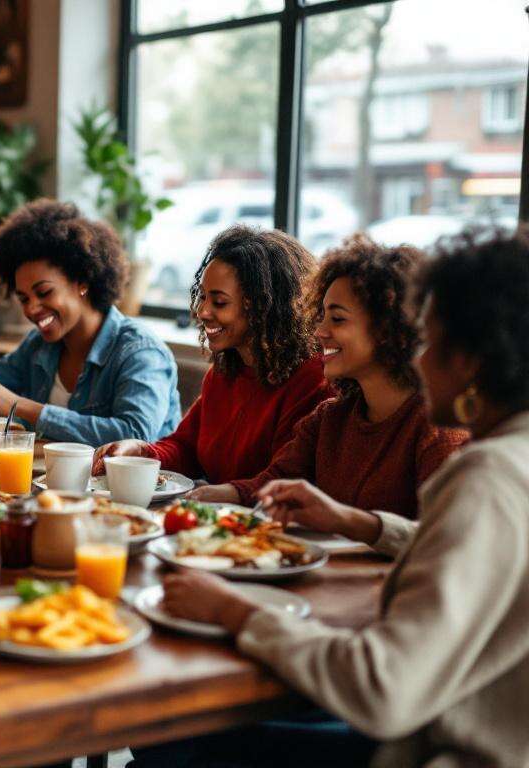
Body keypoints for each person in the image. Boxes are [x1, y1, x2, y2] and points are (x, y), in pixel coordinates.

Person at [151, 226, 529, 768]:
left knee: (177, 736)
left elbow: (382, 690)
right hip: (424, 715)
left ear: (471, 359)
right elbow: (465, 552)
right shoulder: (509, 460)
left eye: (430, 341)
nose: (419, 360)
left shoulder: (484, 474)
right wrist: (358, 522)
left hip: (430, 746)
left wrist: (234, 610)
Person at [187, 235, 468, 516]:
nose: (320, 331)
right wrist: (214, 494)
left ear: (387, 329)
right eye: (321, 316)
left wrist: (344, 520)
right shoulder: (329, 418)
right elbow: (276, 479)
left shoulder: (436, 429)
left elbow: (444, 532)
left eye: (337, 319)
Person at [0, 200, 181, 444]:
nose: (32, 308)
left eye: (44, 292)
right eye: (23, 298)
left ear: (82, 282)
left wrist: (20, 406)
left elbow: (135, 434)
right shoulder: (39, 346)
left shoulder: (139, 351)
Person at [95, 226, 332, 483]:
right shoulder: (225, 370)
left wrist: (225, 494)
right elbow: (186, 448)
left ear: (263, 307)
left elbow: (284, 480)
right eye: (202, 297)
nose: (202, 311)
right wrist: (142, 452)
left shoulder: (312, 378)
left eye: (219, 302)